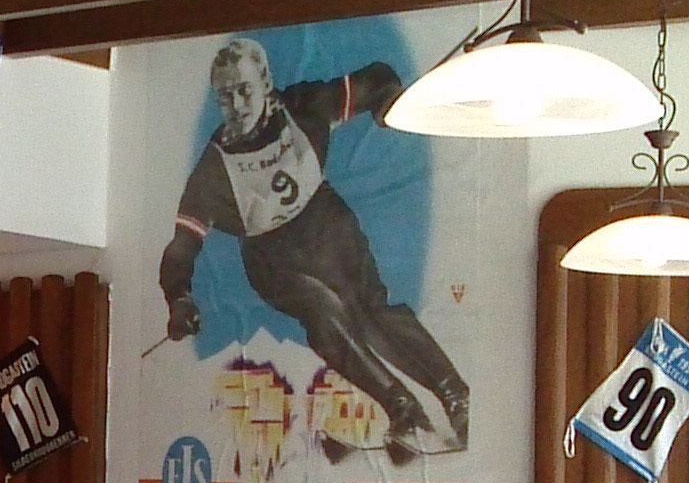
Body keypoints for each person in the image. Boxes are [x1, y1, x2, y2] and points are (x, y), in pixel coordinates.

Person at [159, 39, 471, 457]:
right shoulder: (213, 169)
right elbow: (182, 246)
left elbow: (376, 78)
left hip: (327, 226)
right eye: (225, 96)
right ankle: (404, 411)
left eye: (244, 90)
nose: (236, 105)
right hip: (273, 259)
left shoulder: (303, 107)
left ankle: (456, 397)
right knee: (326, 315)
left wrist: (388, 103)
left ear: (266, 82)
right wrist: (178, 298)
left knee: (373, 313)